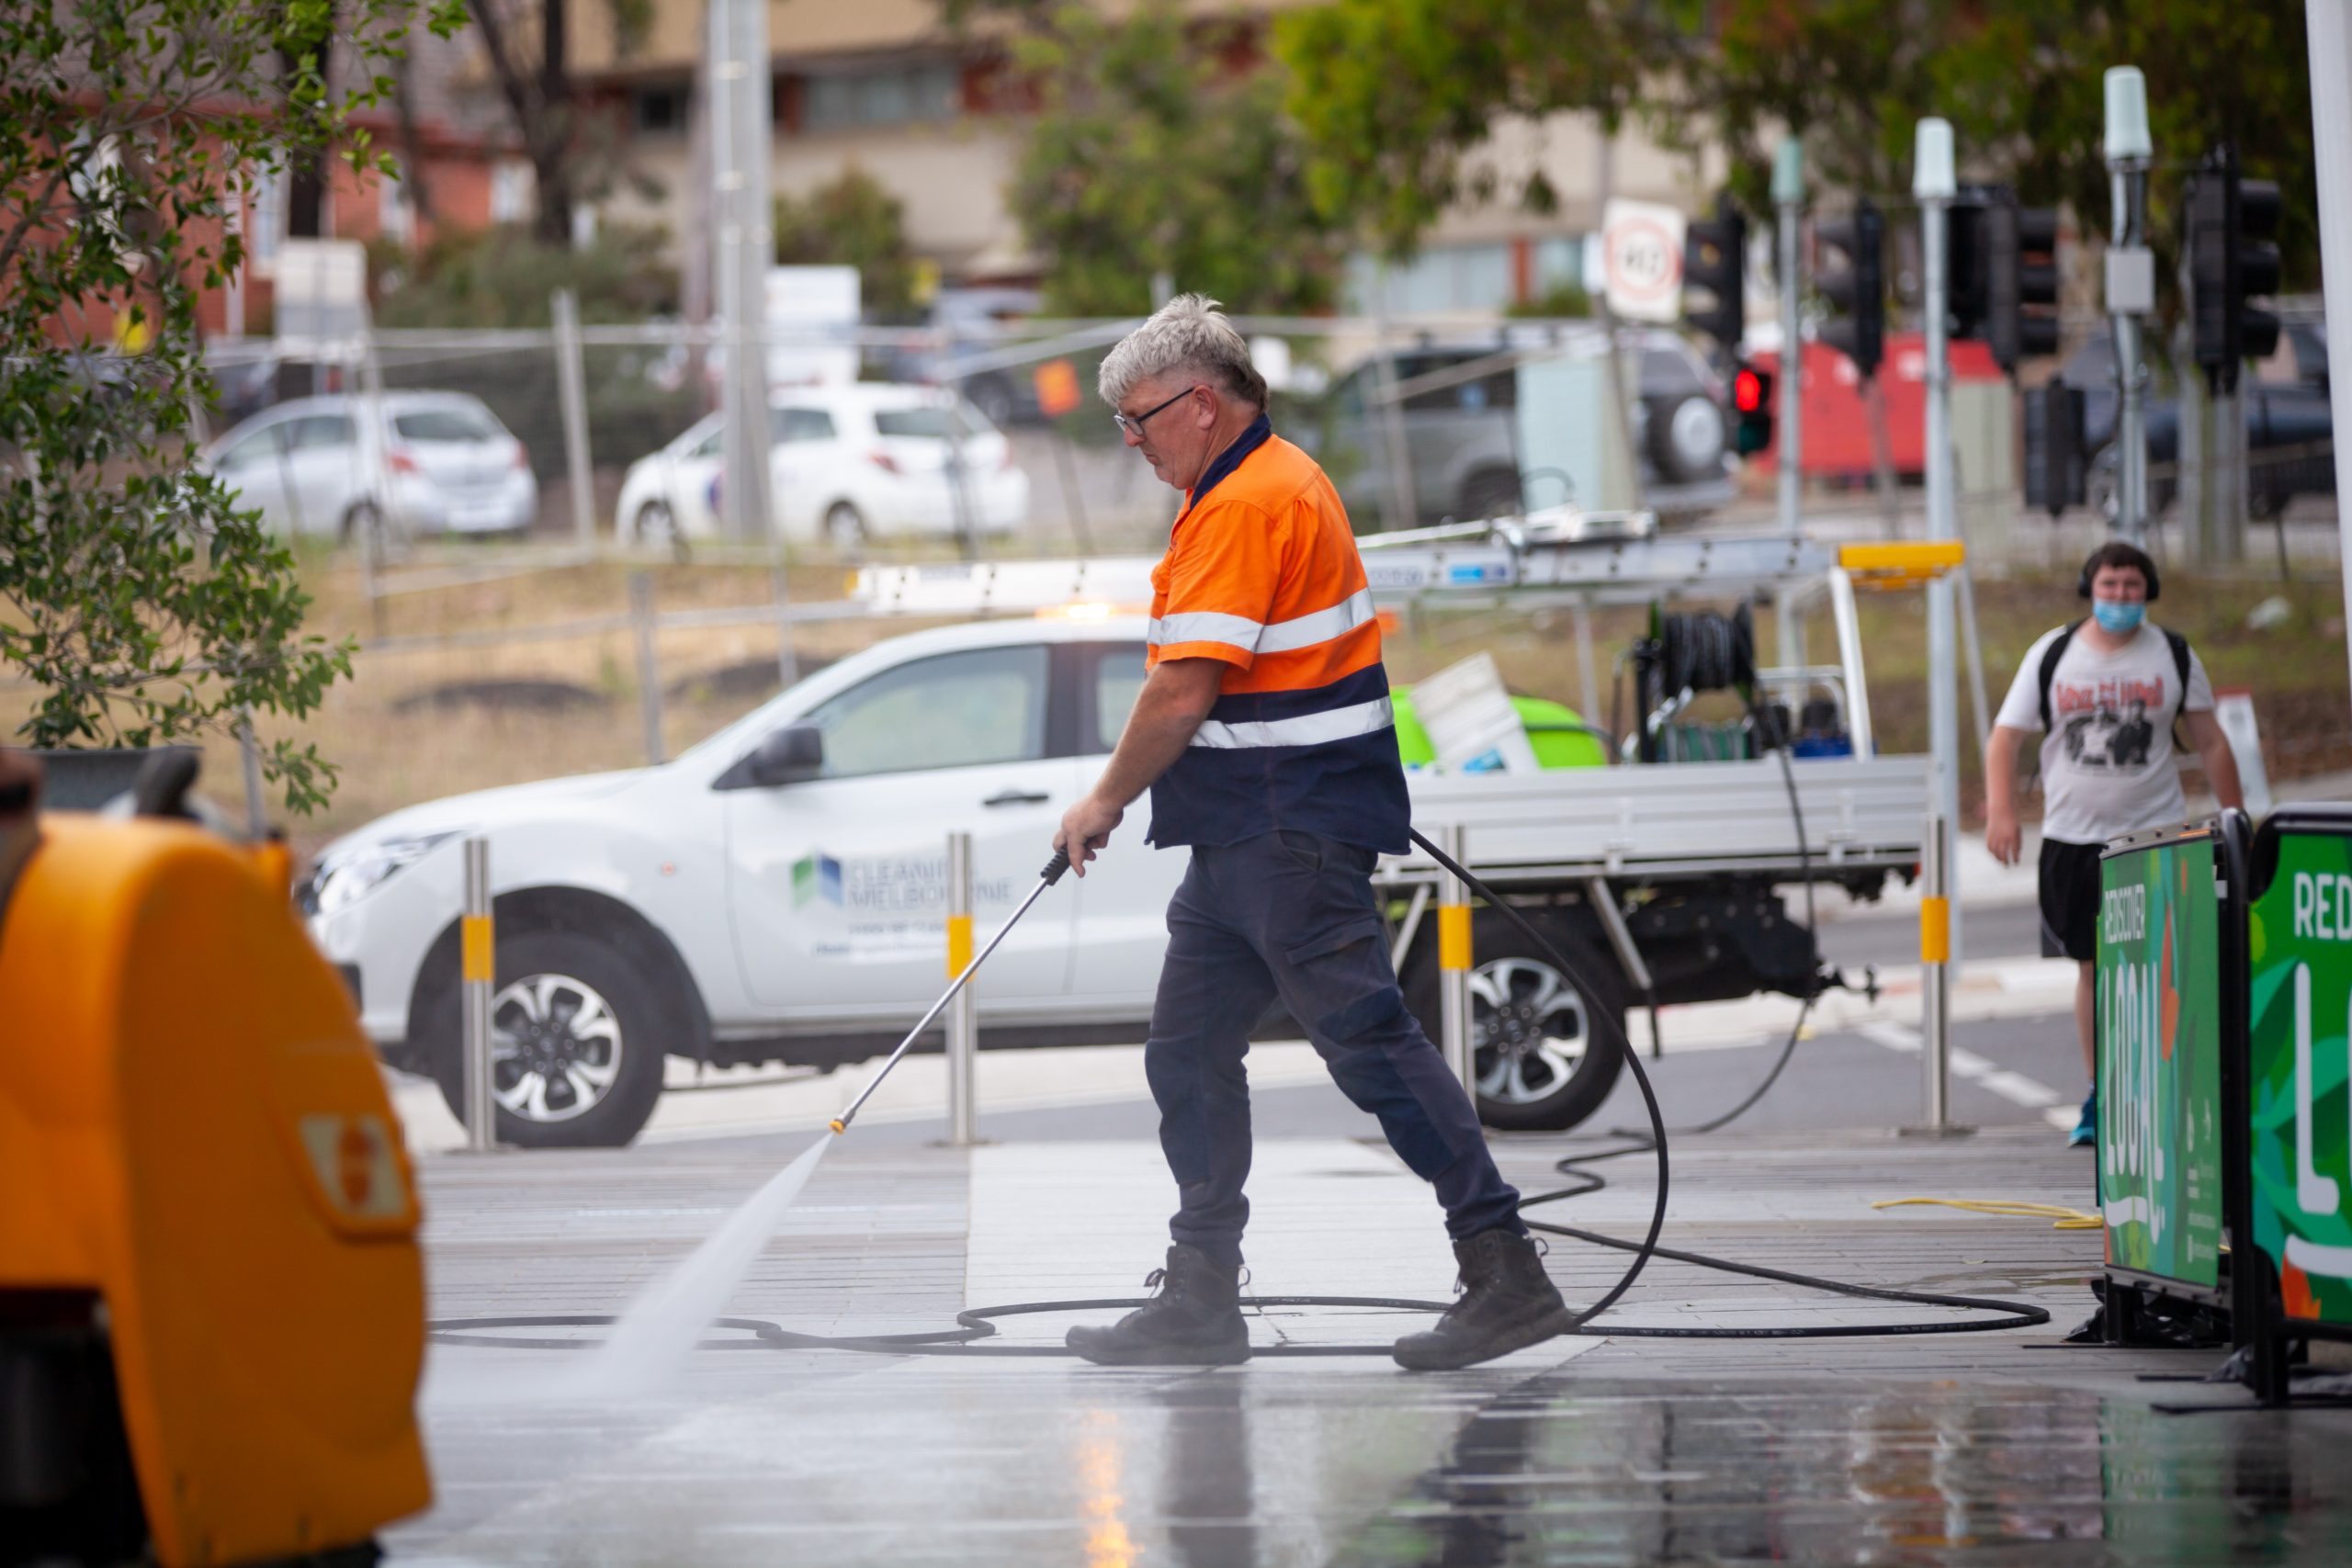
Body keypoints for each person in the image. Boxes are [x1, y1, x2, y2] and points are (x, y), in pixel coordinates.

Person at [1050, 296, 1565, 1371]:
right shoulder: (1247, 488)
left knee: (1371, 1046)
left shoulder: (1253, 500)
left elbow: (1182, 691)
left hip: (1288, 833)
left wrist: (1101, 801)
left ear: (1200, 405)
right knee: (1186, 1052)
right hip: (1245, 836)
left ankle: (1503, 1268)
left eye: (1136, 420)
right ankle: (1200, 1292)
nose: (1131, 442)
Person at [1984, 540, 2243, 1146]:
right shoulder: (2053, 653)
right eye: (2109, 586)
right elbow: (2004, 739)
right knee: (2094, 969)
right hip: (2073, 841)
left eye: (2132, 586)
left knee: (2167, 964)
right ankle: (2102, 1092)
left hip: (2157, 836)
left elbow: (2211, 743)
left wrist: (2236, 820)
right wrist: (2001, 811)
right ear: (2089, 589)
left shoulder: (2173, 654)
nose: (2120, 597)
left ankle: (2167, 1088)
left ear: (2147, 592)